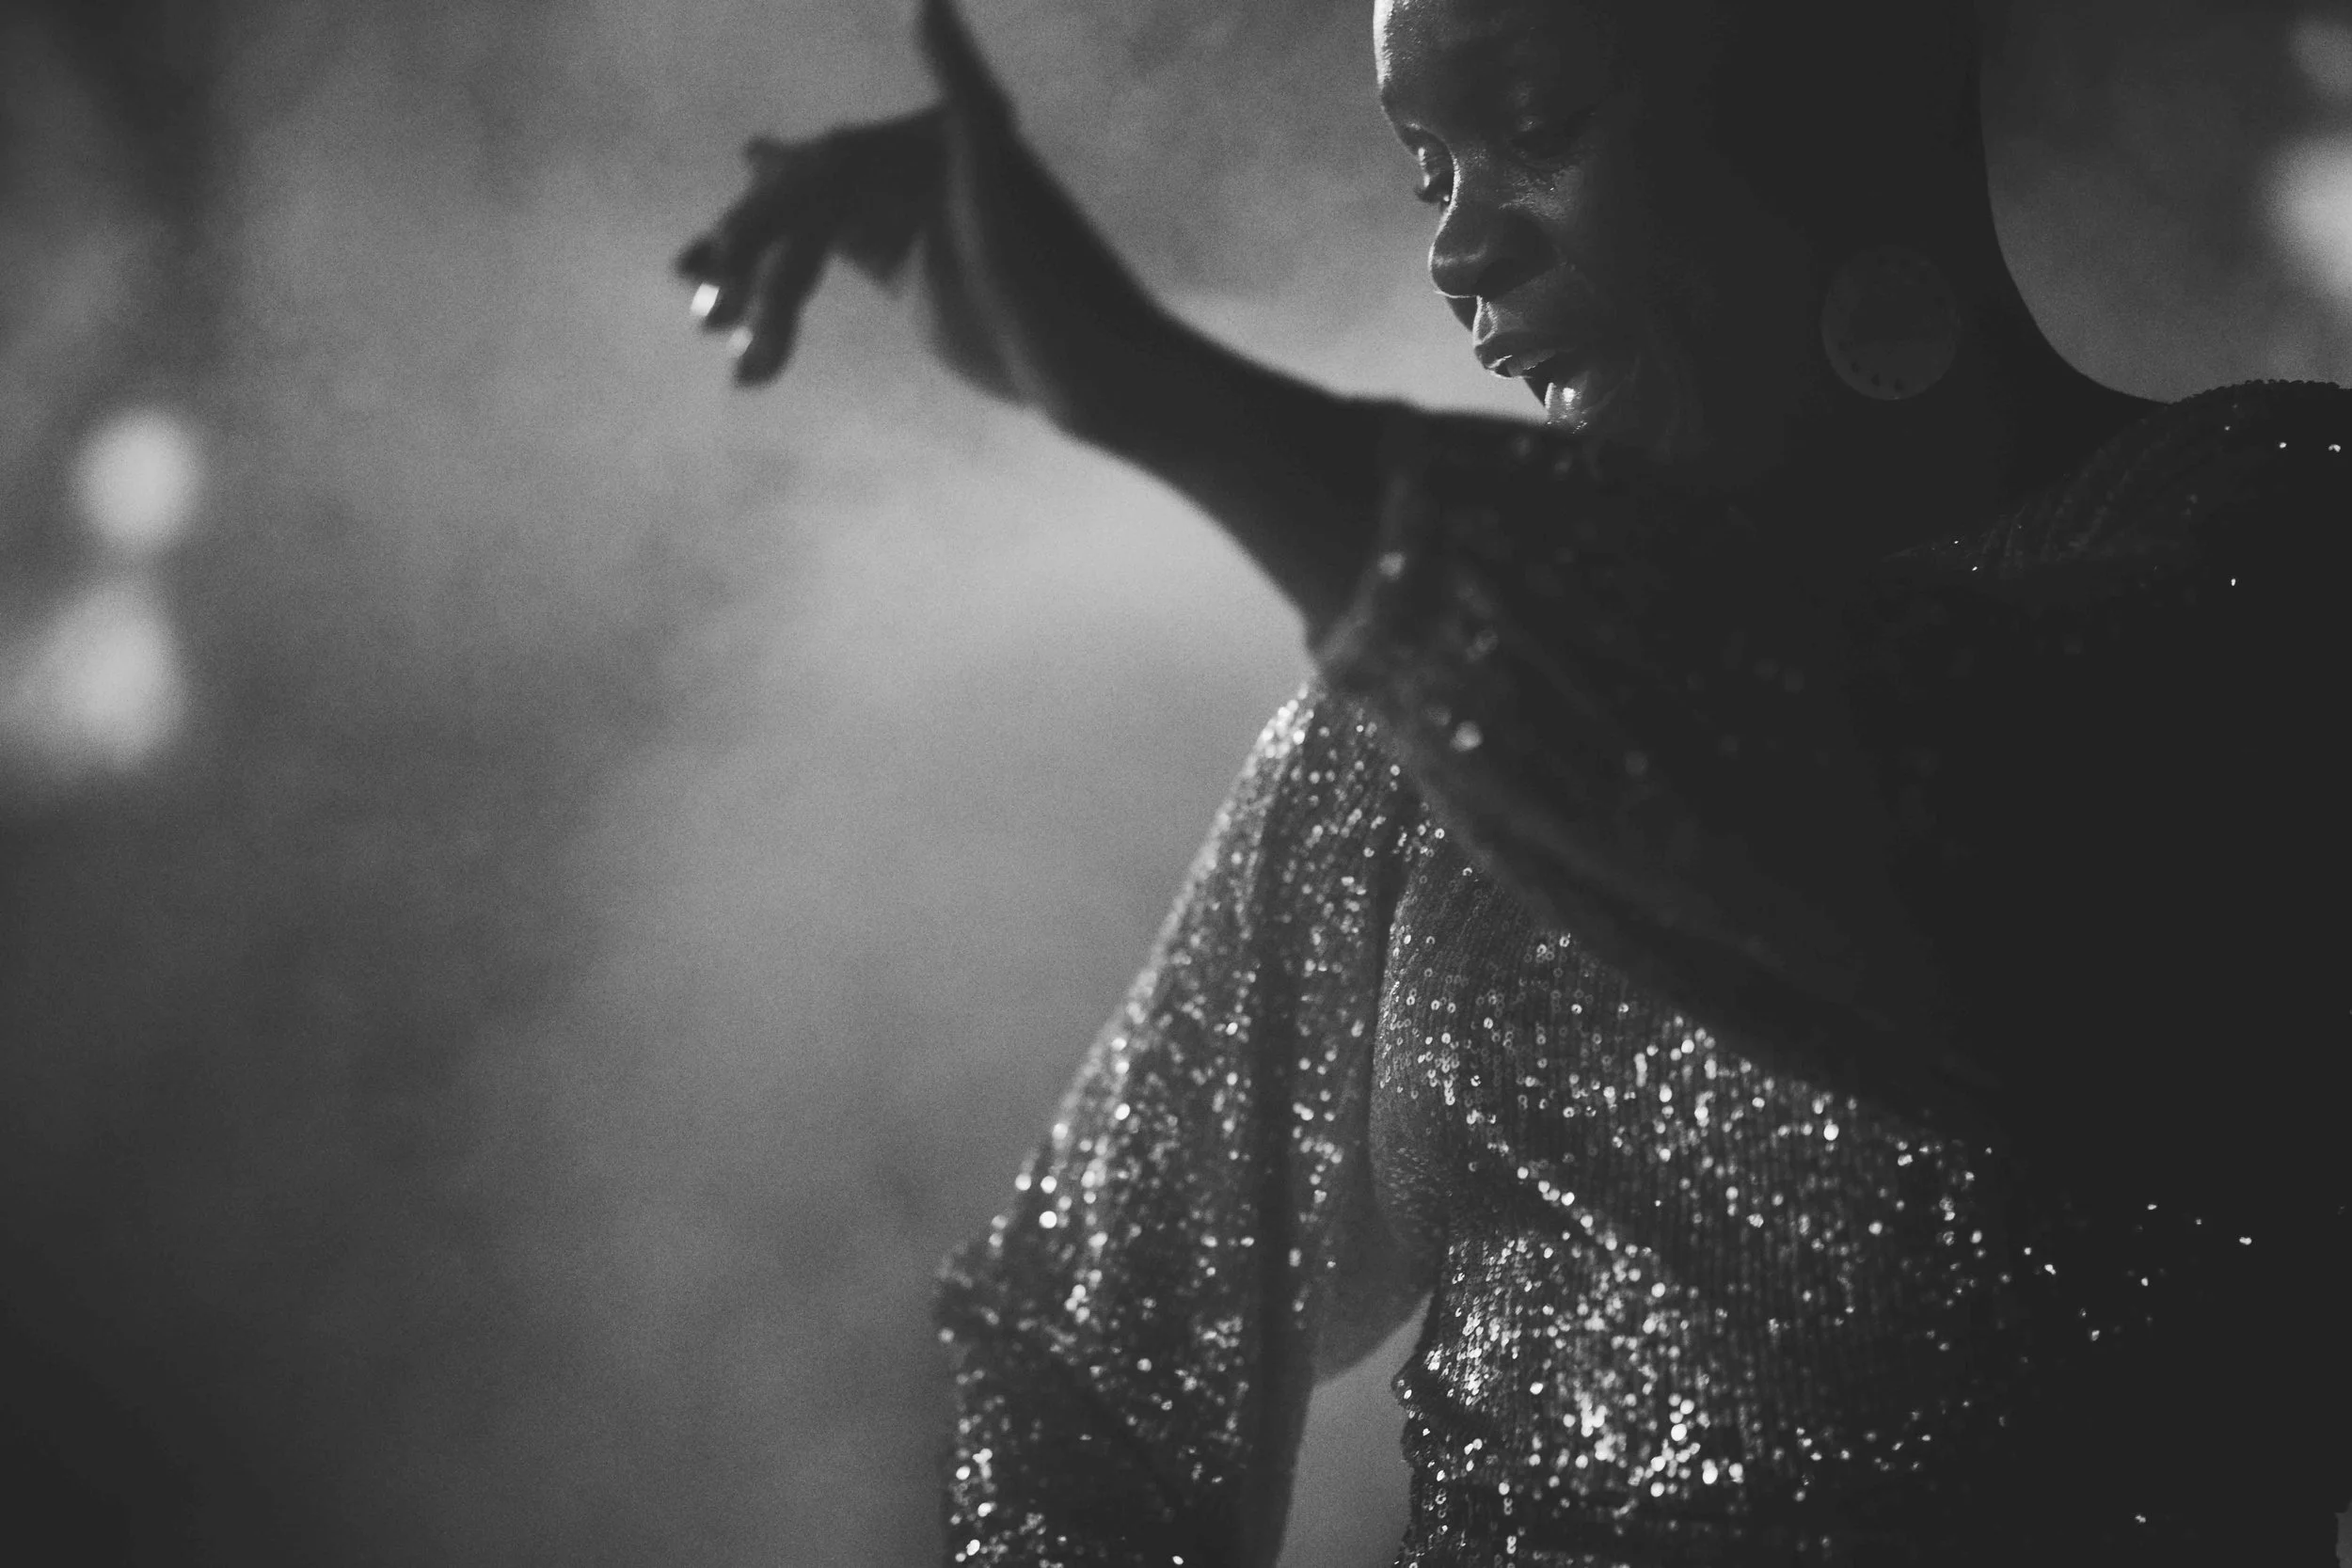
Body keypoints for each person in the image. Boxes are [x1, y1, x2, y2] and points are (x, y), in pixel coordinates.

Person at [676, 0, 2350, 1561]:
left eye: (1533, 121)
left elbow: (1951, 874)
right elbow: (1085, 1348)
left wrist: (1151, 383)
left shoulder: (2267, 534)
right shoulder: (1417, 719)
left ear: (1857, 78)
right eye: (1427, 166)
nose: (1458, 246)